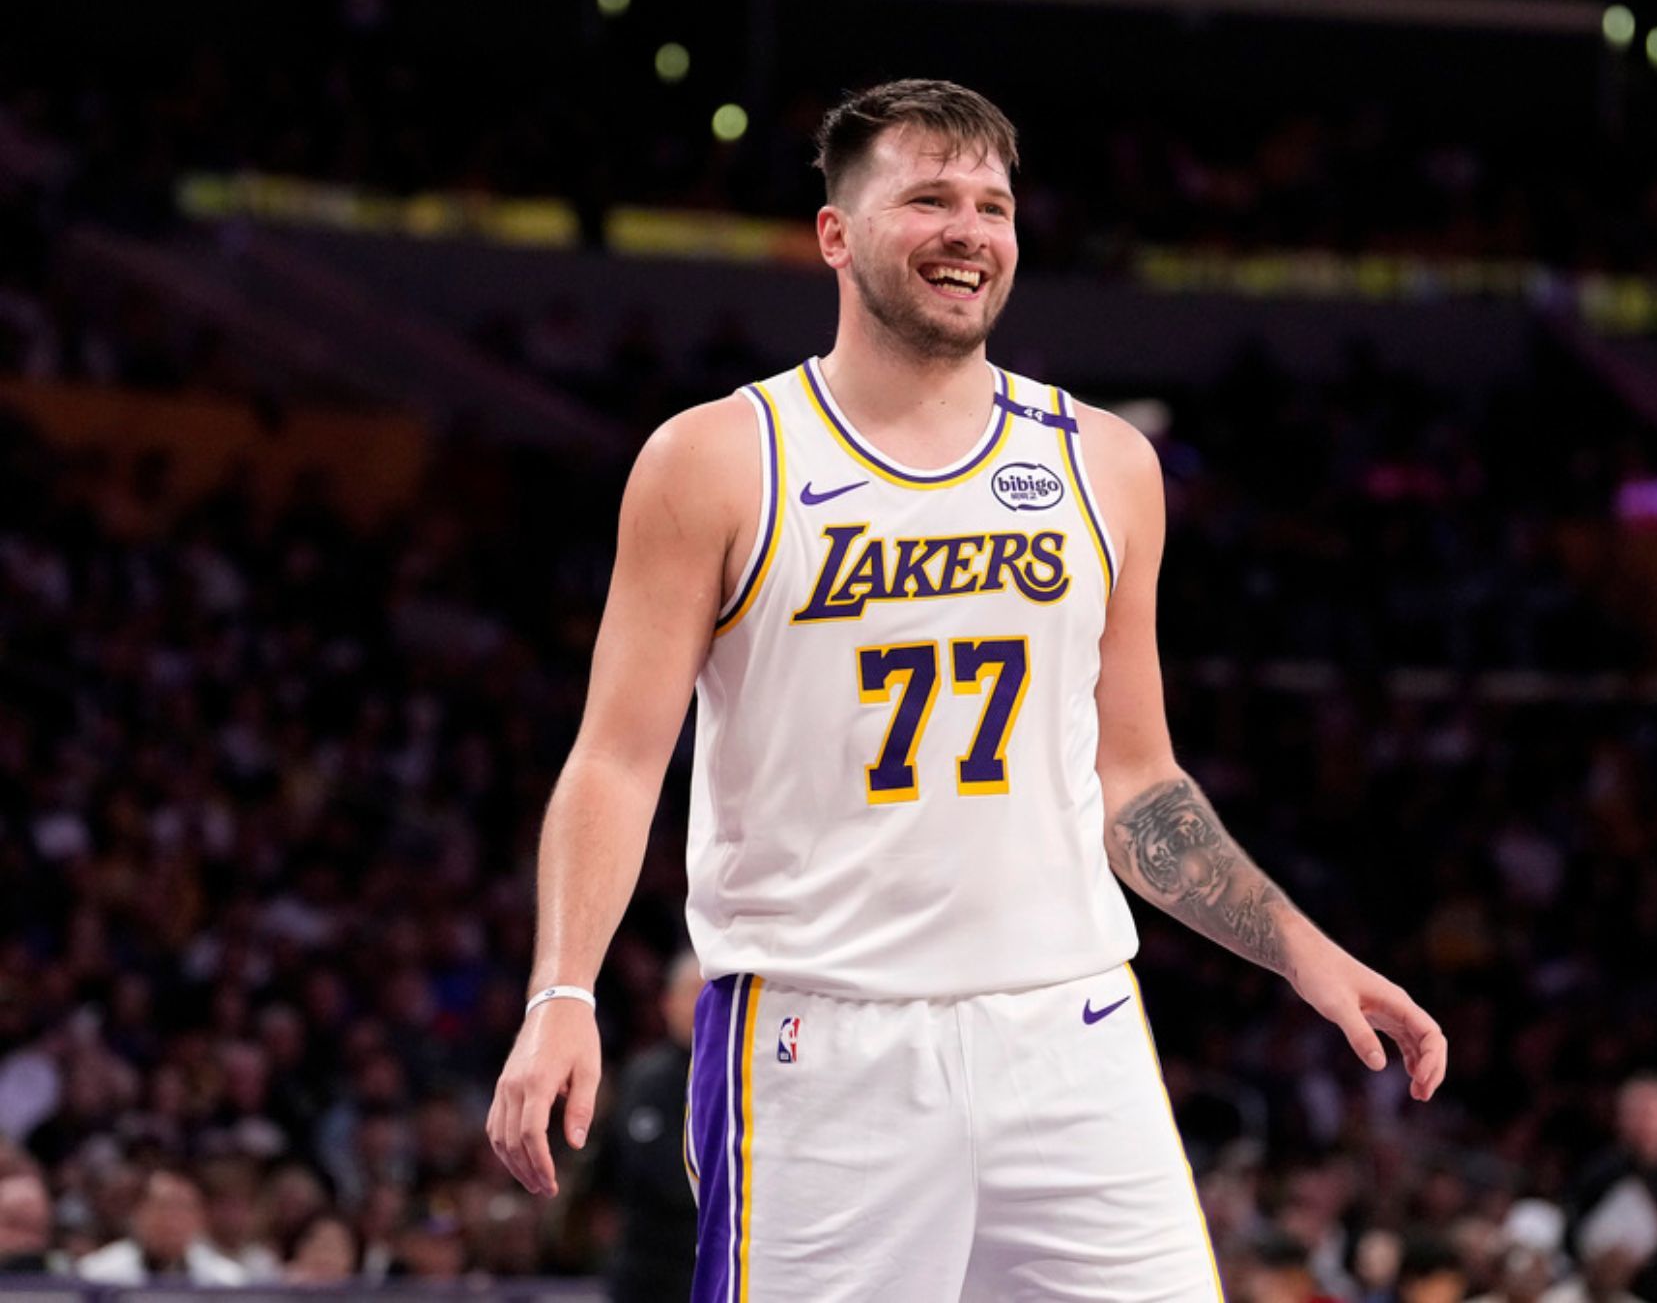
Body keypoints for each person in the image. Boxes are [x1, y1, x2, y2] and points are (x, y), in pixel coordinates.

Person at [485, 77, 1446, 1301]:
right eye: (930, 199)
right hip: (823, 1043)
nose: (970, 231)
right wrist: (562, 990)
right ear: (836, 233)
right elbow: (618, 761)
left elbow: (1138, 782)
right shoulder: (717, 459)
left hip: (1073, 1029)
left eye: (993, 205)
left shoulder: (1105, 463)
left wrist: (1304, 953)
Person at [591, 950, 703, 1301]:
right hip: (652, 1272)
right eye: (693, 993)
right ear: (668, 1003)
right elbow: (657, 1173)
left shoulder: (743, 1080)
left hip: (715, 1264)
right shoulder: (646, 1078)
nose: (702, 1006)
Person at [1566, 1072, 1657, 1303]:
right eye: (1634, 1114)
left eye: (1651, 1114)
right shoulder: (1598, 1175)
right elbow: (1572, 1238)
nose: (1644, 1125)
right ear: (1618, 1120)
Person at [73, 1169, 250, 1286]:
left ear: (200, 1219)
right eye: (163, 1207)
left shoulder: (227, 1281)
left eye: (184, 1208)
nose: (173, 1220)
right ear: (138, 1213)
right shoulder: (96, 1274)